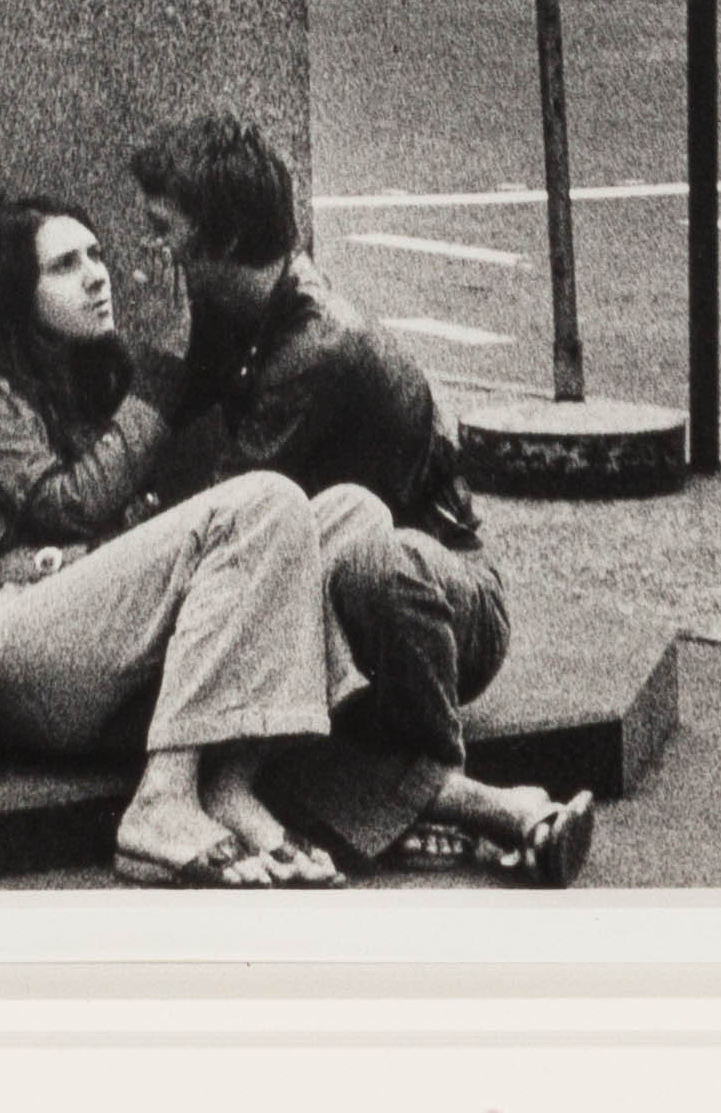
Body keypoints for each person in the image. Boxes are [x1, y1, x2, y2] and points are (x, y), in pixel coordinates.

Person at [130, 111, 597, 887]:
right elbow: (160, 413)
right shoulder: (236, 307)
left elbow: (228, 510)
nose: (150, 251)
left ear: (221, 239)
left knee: (362, 545)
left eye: (161, 229)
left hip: (438, 602)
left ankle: (439, 776)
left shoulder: (317, 348)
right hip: (337, 615)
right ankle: (492, 810)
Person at [0, 193, 351, 886]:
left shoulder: (84, 369)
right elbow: (67, 504)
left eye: (98, 254)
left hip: (87, 627)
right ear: (13, 291)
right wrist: (166, 357)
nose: (97, 275)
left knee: (343, 515)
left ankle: (229, 783)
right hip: (2, 636)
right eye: (64, 265)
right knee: (263, 501)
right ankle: (162, 800)